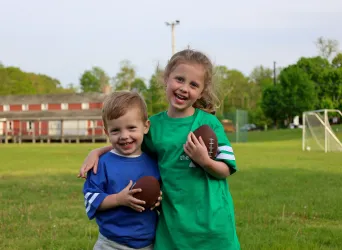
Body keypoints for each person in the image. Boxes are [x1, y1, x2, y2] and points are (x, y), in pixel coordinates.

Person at [79, 49, 240, 250]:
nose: (184, 88)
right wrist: (97, 152)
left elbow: (226, 169)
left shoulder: (209, 124)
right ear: (166, 78)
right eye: (179, 79)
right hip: (173, 224)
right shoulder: (153, 128)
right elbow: (128, 142)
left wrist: (204, 160)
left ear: (202, 91)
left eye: (193, 84)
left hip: (213, 223)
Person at [82, 91, 161, 250]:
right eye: (116, 131)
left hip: (147, 243)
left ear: (146, 126)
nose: (124, 136)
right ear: (106, 132)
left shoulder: (153, 163)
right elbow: (91, 199)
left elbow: (159, 194)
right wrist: (118, 199)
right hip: (111, 243)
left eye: (131, 128)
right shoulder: (102, 164)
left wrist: (158, 200)